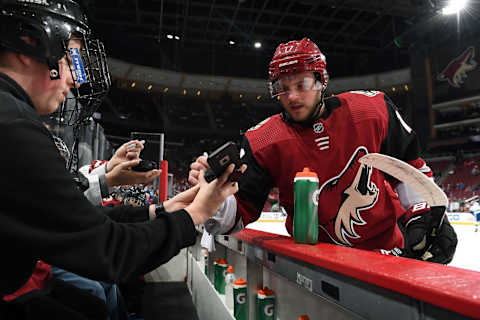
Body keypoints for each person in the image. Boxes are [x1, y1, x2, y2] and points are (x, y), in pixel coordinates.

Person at [0, 1, 242, 319]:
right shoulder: (14, 126)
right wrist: (196, 213)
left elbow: (82, 220)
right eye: (71, 61)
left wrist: (169, 208)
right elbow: (110, 252)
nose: (75, 79)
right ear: (29, 42)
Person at [189, 38, 457, 264]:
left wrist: (423, 216)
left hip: (387, 255)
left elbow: (409, 169)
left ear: (321, 81)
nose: (292, 96)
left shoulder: (371, 110)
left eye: (302, 84)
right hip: (316, 262)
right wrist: (211, 196)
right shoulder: (263, 140)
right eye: (283, 87)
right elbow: (236, 214)